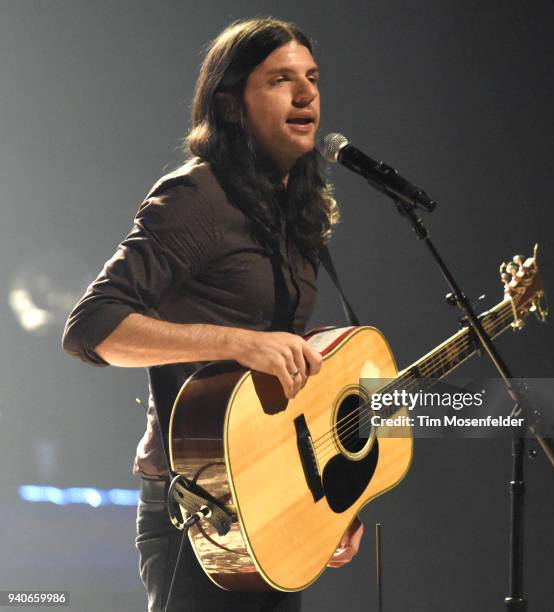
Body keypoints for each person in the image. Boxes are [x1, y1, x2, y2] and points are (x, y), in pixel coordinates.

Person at [62, 18, 364, 612]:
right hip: (198, 511)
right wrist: (241, 342)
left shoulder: (295, 213)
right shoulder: (194, 197)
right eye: (281, 79)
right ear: (229, 104)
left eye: (312, 78)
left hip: (278, 502)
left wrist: (335, 499)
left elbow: (291, 383)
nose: (306, 94)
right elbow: (90, 327)